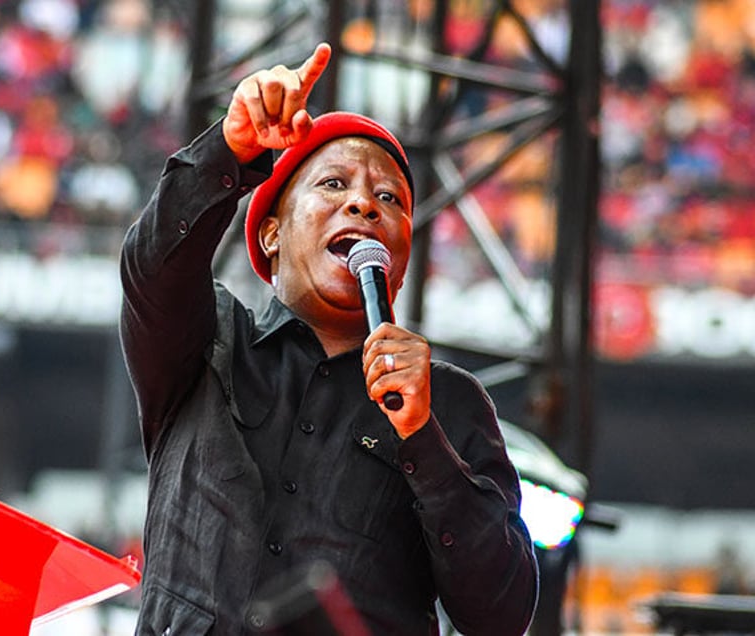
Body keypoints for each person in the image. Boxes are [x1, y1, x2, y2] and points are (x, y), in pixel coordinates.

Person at [119, 42, 538, 636]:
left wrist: (423, 439)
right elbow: (149, 269)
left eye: (388, 199)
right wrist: (230, 149)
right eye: (333, 184)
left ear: (402, 251)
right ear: (270, 235)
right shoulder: (206, 339)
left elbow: (502, 613)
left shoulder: (451, 405)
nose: (364, 203)